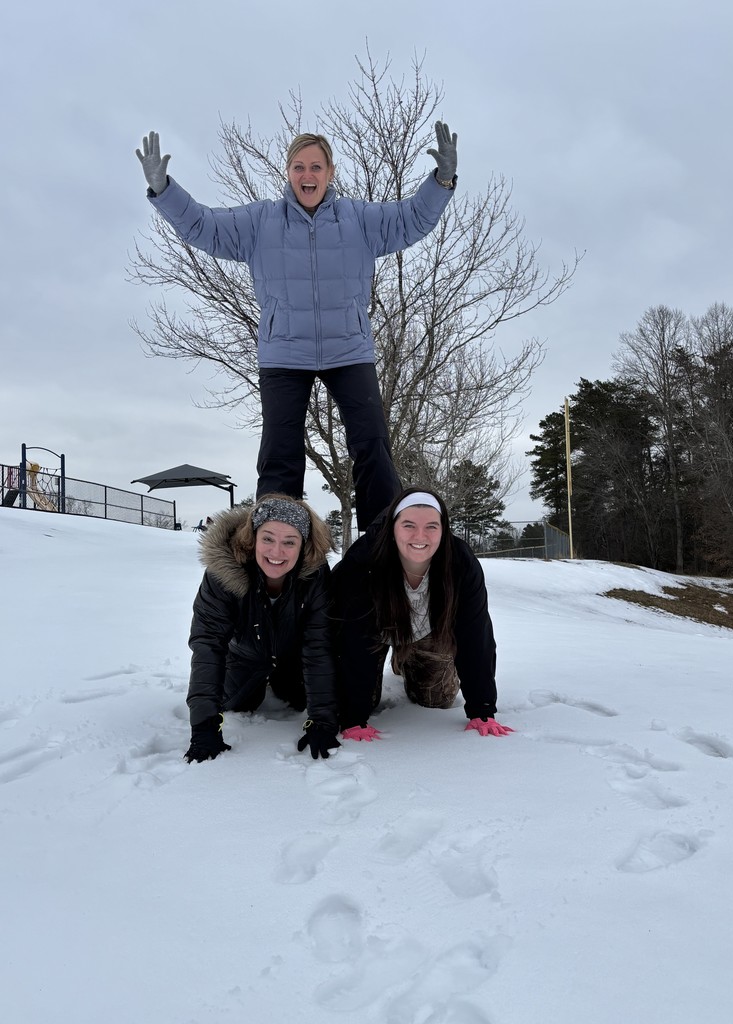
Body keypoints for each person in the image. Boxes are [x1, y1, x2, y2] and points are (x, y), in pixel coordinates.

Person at [135, 123, 458, 530]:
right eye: (299, 167)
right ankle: (277, 546)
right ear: (288, 172)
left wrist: (441, 182)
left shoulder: (360, 219)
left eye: (316, 167)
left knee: (372, 445)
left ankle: (379, 547)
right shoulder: (261, 222)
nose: (308, 175)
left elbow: (411, 219)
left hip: (349, 349)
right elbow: (203, 225)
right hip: (284, 354)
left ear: (330, 172)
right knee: (280, 453)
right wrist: (163, 190)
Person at [330, 486, 514, 739]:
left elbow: (475, 635)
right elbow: (352, 638)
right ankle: (395, 655)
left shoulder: (460, 562)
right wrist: (353, 717)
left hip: (428, 630)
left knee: (437, 700)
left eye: (431, 526)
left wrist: (482, 709)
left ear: (443, 529)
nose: (420, 535)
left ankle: (405, 658)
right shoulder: (363, 561)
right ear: (392, 528)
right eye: (408, 525)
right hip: (374, 634)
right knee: (364, 702)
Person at [184, 494, 340, 762]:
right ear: (252, 538)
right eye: (268, 539)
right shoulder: (223, 574)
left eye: (289, 542)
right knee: (235, 703)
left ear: (303, 546)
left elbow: (318, 644)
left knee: (300, 698)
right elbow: (208, 643)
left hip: (293, 660)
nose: (276, 552)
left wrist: (323, 720)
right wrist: (203, 726)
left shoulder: (315, 575)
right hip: (244, 657)